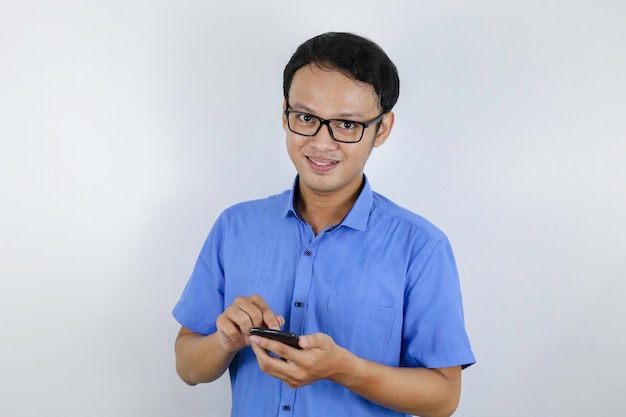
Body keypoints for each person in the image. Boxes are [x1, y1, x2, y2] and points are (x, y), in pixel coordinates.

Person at [173, 32, 475, 417]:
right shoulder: (235, 226)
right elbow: (187, 366)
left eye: (347, 125)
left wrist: (346, 370)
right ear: (285, 114)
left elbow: (444, 397)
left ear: (381, 129)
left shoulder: (421, 247)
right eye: (306, 118)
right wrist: (225, 340)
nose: (321, 142)